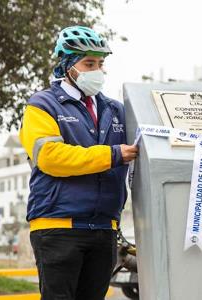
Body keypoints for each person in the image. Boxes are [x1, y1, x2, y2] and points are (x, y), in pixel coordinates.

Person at [19, 25, 138, 300]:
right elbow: (51, 158)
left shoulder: (115, 109)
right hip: (57, 227)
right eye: (89, 63)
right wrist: (113, 154)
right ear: (67, 65)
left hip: (104, 229)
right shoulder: (41, 106)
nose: (98, 70)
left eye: (100, 63)